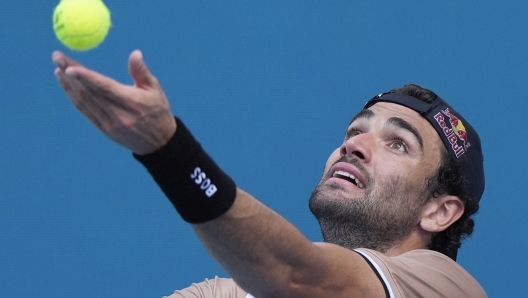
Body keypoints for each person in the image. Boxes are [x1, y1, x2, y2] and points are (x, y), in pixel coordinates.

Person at [52, 49, 487, 298]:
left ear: (439, 211)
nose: (353, 145)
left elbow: (298, 275)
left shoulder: (445, 287)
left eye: (398, 143)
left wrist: (168, 150)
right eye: (356, 130)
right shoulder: (228, 294)